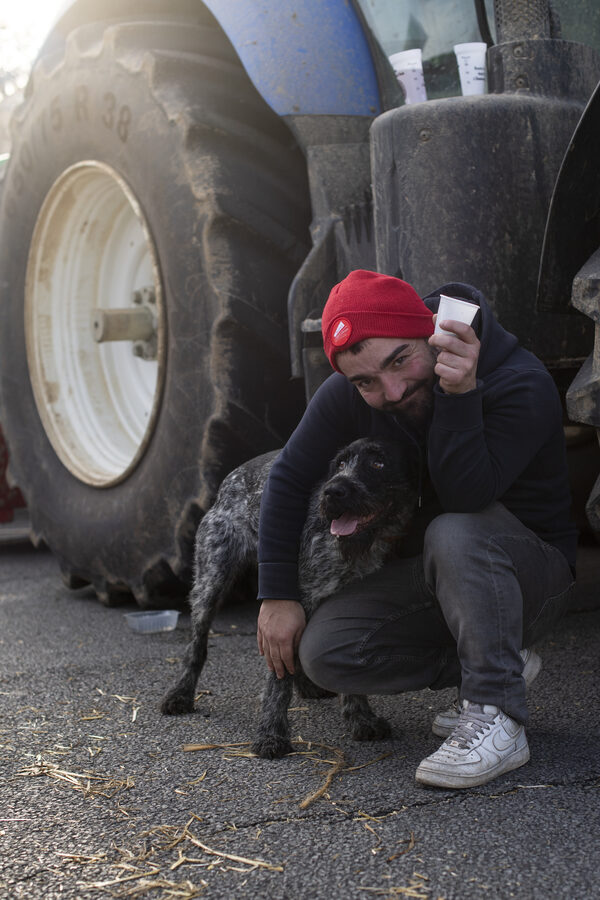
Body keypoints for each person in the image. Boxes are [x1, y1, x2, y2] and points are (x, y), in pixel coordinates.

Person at [256, 269, 576, 789]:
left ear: (432, 329)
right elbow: (289, 477)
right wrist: (276, 594)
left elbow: (467, 496)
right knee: (325, 652)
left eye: (400, 360)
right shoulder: (362, 388)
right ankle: (495, 662)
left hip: (529, 578)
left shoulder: (521, 382)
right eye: (365, 382)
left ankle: (497, 713)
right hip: (439, 576)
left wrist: (459, 393)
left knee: (454, 529)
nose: (393, 390)